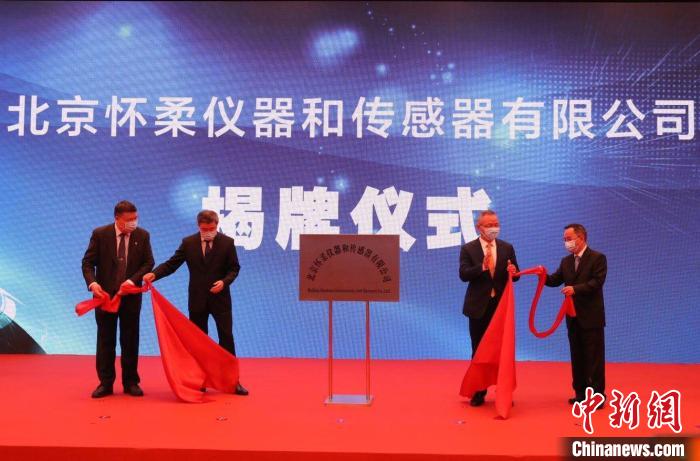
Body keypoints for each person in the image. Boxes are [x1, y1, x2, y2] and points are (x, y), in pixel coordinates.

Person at [143, 210, 248, 395]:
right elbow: (172, 264)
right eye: (204, 229)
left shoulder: (227, 243)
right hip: (197, 299)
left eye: (211, 229)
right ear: (199, 226)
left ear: (217, 225)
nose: (208, 232)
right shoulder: (189, 243)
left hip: (220, 299)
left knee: (226, 338)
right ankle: (199, 380)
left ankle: (233, 381)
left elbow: (234, 268)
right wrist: (155, 274)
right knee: (198, 341)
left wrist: (224, 282)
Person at [81, 200, 154, 398]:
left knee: (130, 340)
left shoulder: (142, 235)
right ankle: (105, 383)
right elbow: (87, 263)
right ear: (117, 219)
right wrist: (93, 284)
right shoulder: (100, 234)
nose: (133, 222)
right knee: (106, 340)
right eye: (129, 219)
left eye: (135, 218)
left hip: (130, 297)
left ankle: (131, 382)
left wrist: (132, 281)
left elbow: (148, 263)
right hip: (105, 298)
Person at [459, 210, 519, 406]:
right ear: (479, 227)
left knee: (502, 351)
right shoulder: (469, 248)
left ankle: (503, 392)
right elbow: (463, 274)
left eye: (496, 224)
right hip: (478, 308)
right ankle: (478, 391)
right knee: (479, 350)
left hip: (500, 308)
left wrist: (513, 271)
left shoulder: (506, 247)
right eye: (489, 225)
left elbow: (515, 275)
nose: (494, 228)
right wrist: (482, 267)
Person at [545, 223, 607, 408]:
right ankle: (580, 394)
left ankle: (597, 397)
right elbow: (554, 280)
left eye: (569, 239)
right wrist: (541, 275)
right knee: (577, 357)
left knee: (594, 359)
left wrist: (575, 289)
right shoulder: (566, 261)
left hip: (592, 317)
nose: (567, 242)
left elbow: (597, 282)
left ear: (581, 238)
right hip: (572, 318)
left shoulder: (597, 258)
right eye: (564, 239)